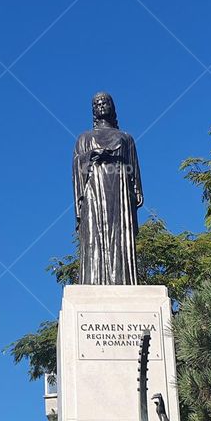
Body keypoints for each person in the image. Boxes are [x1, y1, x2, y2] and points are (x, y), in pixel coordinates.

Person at [73, 92, 143, 285]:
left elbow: (133, 167)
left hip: (120, 190)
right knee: (94, 233)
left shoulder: (126, 138)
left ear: (112, 106)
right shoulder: (84, 138)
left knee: (120, 233)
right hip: (94, 189)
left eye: (105, 102)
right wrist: (92, 154)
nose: (101, 105)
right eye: (97, 103)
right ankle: (95, 280)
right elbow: (77, 167)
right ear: (93, 110)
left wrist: (137, 189)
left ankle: (124, 280)